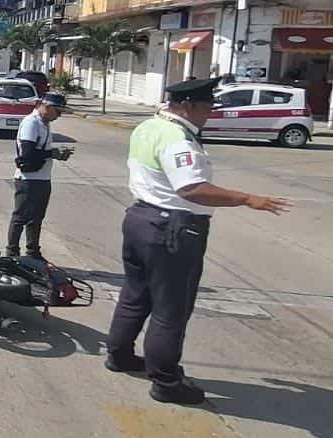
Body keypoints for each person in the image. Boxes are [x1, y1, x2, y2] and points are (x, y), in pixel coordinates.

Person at [105, 77, 290, 405]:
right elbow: (191, 189)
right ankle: (166, 381)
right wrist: (247, 198)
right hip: (172, 229)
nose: (210, 114)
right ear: (188, 105)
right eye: (206, 107)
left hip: (139, 220)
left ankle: (119, 356)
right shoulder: (178, 139)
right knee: (170, 309)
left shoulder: (149, 126)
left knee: (135, 295)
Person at [7, 92, 72, 260]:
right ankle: (12, 253)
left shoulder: (44, 123)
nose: (59, 116)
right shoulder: (31, 123)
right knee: (20, 217)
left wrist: (54, 154)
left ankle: (33, 252)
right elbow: (27, 153)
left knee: (36, 218)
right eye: (58, 112)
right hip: (28, 179)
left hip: (42, 178)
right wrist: (52, 153)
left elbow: (41, 151)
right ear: (47, 107)